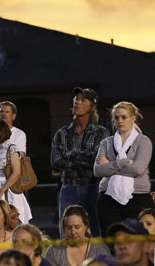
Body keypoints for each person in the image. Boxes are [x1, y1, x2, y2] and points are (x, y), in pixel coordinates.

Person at [52, 88, 110, 237]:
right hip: (69, 188)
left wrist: (71, 154)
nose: (77, 102)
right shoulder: (62, 133)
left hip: (93, 187)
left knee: (95, 232)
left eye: (83, 100)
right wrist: (85, 158)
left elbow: (97, 161)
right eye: (76, 99)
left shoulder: (101, 132)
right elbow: (57, 163)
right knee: (67, 233)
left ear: (92, 106)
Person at [94, 102, 153, 235]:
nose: (120, 121)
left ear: (133, 118)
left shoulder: (143, 141)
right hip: (108, 198)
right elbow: (97, 171)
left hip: (138, 197)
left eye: (124, 117)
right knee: (112, 243)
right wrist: (123, 162)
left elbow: (138, 169)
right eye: (116, 118)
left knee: (139, 242)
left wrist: (109, 165)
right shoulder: (106, 143)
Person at [0, 119, 32, 224]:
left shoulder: (11, 149)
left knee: (13, 222)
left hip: (9, 191)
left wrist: (2, 190)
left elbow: (16, 172)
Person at [44, 205, 110, 266]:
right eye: (69, 228)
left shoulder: (100, 249)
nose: (73, 232)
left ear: (86, 226)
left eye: (77, 227)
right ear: (64, 228)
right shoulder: (54, 251)